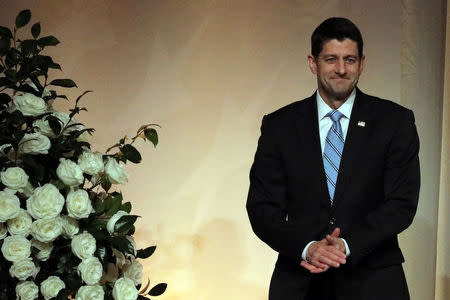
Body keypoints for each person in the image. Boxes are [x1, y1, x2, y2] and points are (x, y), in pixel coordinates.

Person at [246, 17, 420, 300]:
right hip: (301, 281)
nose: (341, 69)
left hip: (375, 281)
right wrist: (307, 247)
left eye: (349, 60)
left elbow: (402, 203)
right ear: (313, 63)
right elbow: (262, 207)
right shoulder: (280, 125)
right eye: (331, 59)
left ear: (362, 63)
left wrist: (347, 245)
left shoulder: (395, 122)